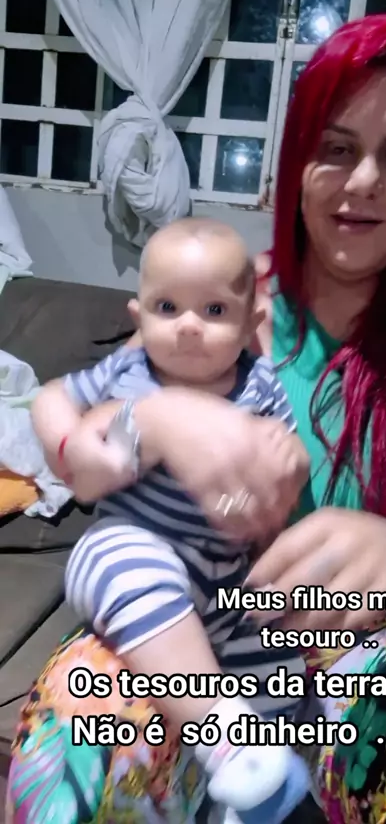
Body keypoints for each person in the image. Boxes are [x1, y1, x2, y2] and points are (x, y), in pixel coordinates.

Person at [7, 8, 386, 824]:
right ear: (297, 164)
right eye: (336, 148)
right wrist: (154, 421)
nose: (362, 181)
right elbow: (70, 450)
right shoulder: (216, 303)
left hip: (368, 664)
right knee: (80, 714)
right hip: (202, 644)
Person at [30, 217, 311, 823]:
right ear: (139, 316)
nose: (188, 325)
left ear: (250, 323)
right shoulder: (127, 375)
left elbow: (279, 475)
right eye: (167, 308)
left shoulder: (261, 387)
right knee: (120, 558)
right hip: (137, 548)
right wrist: (70, 444)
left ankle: (248, 789)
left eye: (214, 310)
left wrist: (280, 465)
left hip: (228, 576)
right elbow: (52, 399)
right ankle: (226, 739)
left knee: (280, 669)